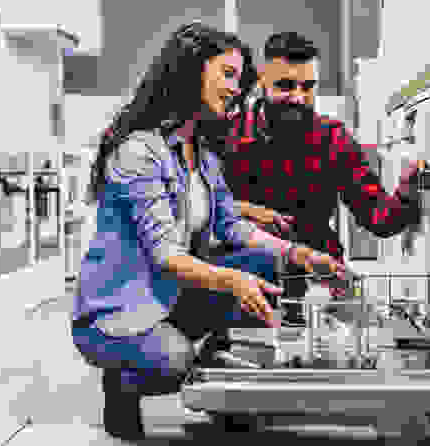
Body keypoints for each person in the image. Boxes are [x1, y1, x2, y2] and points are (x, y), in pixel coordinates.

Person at [70, 22, 344, 441]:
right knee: (172, 362)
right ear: (191, 71)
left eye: (240, 77)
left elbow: (232, 225)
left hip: (170, 294)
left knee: (264, 262)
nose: (238, 87)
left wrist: (301, 255)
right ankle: (121, 384)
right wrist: (233, 280)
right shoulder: (139, 151)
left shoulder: (200, 153)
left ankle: (223, 376)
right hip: (118, 309)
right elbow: (165, 254)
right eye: (228, 74)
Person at [225, 32, 426, 326]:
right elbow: (206, 213)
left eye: (308, 87)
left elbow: (379, 218)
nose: (298, 97)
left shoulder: (332, 139)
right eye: (285, 86)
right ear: (262, 84)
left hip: (321, 281)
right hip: (246, 277)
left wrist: (408, 189)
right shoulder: (229, 136)